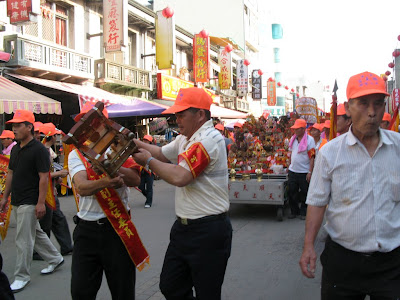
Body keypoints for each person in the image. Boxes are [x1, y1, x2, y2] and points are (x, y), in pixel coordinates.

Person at [299, 71, 400, 299]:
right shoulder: (330, 153)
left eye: (378, 104)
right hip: (343, 263)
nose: (372, 112)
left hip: (391, 265)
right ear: (349, 107)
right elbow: (316, 202)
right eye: (363, 104)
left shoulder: (398, 148)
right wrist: (308, 246)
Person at [133, 87, 232, 300]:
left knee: (207, 293)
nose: (177, 119)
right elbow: (161, 153)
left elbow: (180, 176)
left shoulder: (208, 139)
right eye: (176, 114)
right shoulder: (186, 138)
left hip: (208, 230)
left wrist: (148, 162)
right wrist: (132, 144)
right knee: (170, 285)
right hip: (184, 229)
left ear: (200, 114)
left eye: (181, 115)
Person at [68, 103, 146, 300]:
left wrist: (115, 167)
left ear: (105, 124)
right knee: (80, 292)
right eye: (84, 125)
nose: (89, 129)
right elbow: (81, 187)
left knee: (123, 291)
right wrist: (106, 182)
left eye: (94, 123)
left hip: (117, 230)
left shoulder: (120, 147)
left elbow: (135, 179)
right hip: (87, 231)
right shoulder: (76, 153)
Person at [0, 110, 64, 293]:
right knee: (34, 233)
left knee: (23, 239)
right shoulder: (15, 148)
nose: (14, 129)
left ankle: (22, 276)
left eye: (19, 125)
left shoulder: (39, 150)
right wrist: (5, 197)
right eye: (13, 125)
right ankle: (55, 258)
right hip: (18, 199)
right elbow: (10, 173)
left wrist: (41, 202)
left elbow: (44, 177)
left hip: (30, 199)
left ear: (30, 127)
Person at [37, 123, 73, 256]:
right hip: (43, 194)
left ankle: (67, 247)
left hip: (51, 191)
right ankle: (40, 251)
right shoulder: (41, 152)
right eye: (56, 135)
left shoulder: (47, 151)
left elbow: (49, 171)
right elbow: (40, 175)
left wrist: (55, 178)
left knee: (58, 219)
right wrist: (58, 174)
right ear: (51, 137)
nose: (57, 138)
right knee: (45, 224)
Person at [287, 118, 315, 220]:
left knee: (304, 192)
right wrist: (288, 165)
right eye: (294, 128)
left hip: (304, 171)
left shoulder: (310, 140)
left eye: (297, 128)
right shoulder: (293, 139)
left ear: (303, 129)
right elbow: (290, 153)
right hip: (293, 170)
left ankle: (303, 212)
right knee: (291, 191)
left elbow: (312, 157)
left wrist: (310, 172)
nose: (295, 130)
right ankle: (294, 211)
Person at [139, 134, 155, 208]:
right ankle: (148, 197)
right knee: (140, 187)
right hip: (141, 171)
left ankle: (148, 202)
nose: (145, 142)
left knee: (149, 187)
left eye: (147, 141)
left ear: (150, 142)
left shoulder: (153, 150)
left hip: (150, 171)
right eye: (144, 140)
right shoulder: (139, 149)